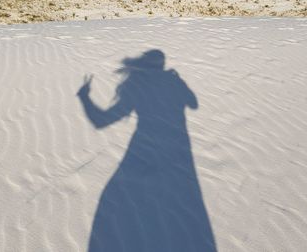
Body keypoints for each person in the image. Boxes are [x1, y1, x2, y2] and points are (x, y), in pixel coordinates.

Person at [77, 50, 216, 252]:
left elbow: (101, 121)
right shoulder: (173, 82)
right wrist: (178, 81)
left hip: (145, 150)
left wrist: (84, 97)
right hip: (177, 152)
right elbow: (193, 104)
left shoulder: (137, 88)